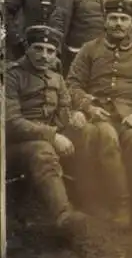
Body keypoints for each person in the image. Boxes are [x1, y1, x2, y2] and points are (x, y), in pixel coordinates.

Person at [66, 0, 132, 226]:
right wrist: (87, 106)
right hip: (96, 113)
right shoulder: (89, 49)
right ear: (105, 21)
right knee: (102, 135)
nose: (118, 23)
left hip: (128, 115)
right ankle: (116, 203)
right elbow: (72, 84)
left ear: (131, 23)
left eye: (124, 19)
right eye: (113, 18)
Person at [6, 25, 87, 236]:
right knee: (42, 149)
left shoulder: (56, 78)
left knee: (91, 133)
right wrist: (52, 135)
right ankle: (63, 214)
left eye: (50, 51)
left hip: (47, 139)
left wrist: (76, 116)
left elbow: (64, 112)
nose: (44, 55)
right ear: (28, 49)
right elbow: (12, 122)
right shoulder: (12, 76)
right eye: (38, 48)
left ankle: (96, 203)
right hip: (11, 145)